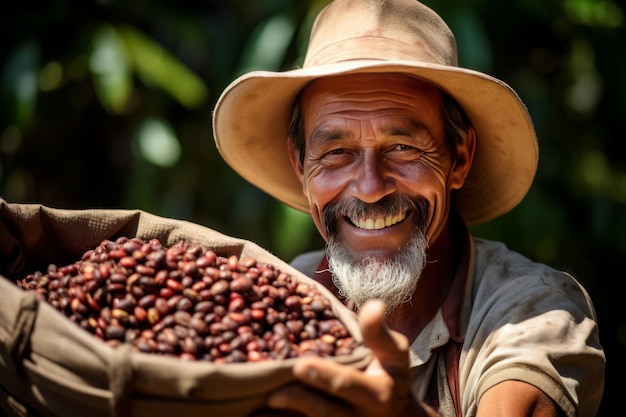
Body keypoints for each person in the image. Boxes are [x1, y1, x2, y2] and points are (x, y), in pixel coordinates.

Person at [211, 0, 606, 416]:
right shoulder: (289, 296)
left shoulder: (532, 310)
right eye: (336, 151)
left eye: (403, 148)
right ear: (300, 165)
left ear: (459, 157)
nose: (369, 188)